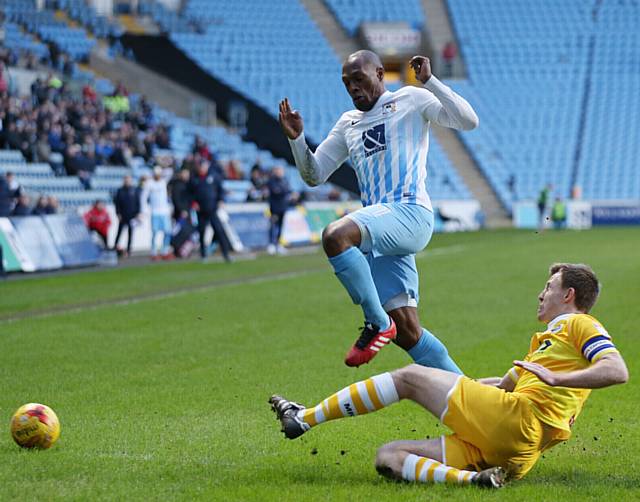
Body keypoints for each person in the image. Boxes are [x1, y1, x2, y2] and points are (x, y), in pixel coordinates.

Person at [270, 263, 628, 488]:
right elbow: (502, 386)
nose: (540, 293)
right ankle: (476, 480)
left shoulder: (580, 323)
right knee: (389, 457)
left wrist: (556, 381)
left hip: (516, 420)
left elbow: (616, 370)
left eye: (548, 288)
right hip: (517, 453)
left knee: (410, 377)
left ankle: (302, 418)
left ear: (568, 295)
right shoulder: (548, 345)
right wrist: (464, 388)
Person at [279, 50, 478, 368]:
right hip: (380, 232)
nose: (353, 87)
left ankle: (376, 322)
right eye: (347, 83)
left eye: (359, 79)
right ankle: (476, 404)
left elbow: (468, 121)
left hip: (411, 213)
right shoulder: (348, 123)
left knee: (335, 236)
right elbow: (314, 174)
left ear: (380, 74)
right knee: (409, 333)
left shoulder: (411, 98)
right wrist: (298, 140)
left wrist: (430, 82)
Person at [189, 159, 232, 262]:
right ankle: (203, 255)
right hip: (201, 211)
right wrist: (193, 203)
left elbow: (220, 190)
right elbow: (189, 193)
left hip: (213, 209)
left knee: (219, 231)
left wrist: (221, 200)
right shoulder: (194, 178)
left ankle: (226, 254)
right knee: (202, 232)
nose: (201, 169)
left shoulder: (214, 176)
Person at [143, 167, 173, 260]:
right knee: (155, 232)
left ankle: (165, 251)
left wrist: (163, 166)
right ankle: (154, 252)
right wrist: (144, 210)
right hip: (155, 212)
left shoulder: (163, 182)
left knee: (168, 232)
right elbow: (143, 197)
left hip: (164, 212)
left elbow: (170, 171)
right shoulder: (149, 183)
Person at [266, 166, 291, 255]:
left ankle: (278, 244)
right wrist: (283, 191)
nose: (280, 173)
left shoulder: (284, 180)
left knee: (280, 227)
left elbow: (287, 190)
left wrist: (283, 191)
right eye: (278, 171)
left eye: (281, 171)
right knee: (273, 226)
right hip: (274, 208)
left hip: (283, 207)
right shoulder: (271, 181)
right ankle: (271, 245)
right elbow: (276, 191)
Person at [113, 175, 140, 256]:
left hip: (132, 215)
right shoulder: (120, 191)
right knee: (119, 232)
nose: (127, 181)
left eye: (129, 180)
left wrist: (137, 213)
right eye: (126, 180)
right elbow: (117, 204)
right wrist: (118, 213)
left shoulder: (134, 190)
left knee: (130, 233)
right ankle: (115, 247)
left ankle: (129, 250)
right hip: (123, 215)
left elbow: (137, 203)